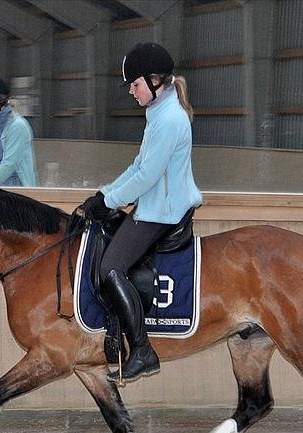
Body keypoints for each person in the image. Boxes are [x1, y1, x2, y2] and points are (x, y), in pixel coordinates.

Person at [81, 42, 203, 384]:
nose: (131, 92)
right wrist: (105, 194)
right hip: (155, 205)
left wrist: (109, 202)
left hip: (162, 212)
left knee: (110, 267)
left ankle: (142, 351)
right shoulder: (160, 113)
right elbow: (139, 166)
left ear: (154, 81)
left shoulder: (169, 119)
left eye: (135, 85)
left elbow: (148, 176)